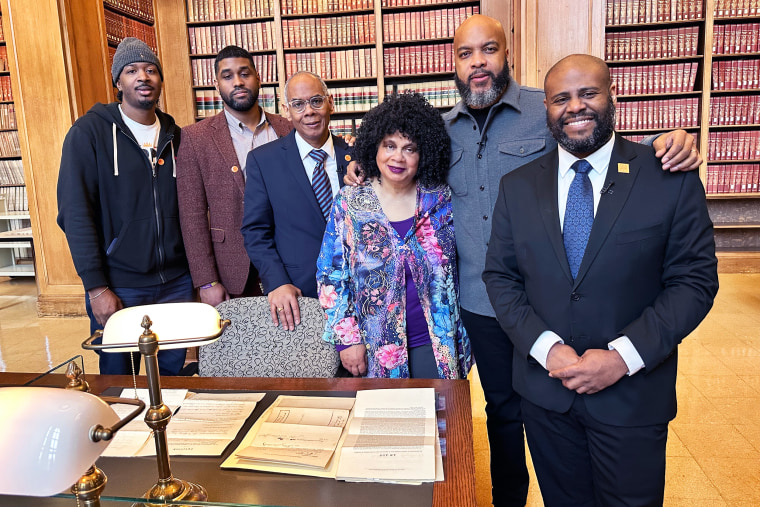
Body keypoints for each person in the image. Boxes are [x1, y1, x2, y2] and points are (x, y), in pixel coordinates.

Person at [346, 14, 703, 505]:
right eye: (465, 53)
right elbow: (398, 164)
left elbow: (610, 154)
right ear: (453, 61)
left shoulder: (549, 106)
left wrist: (672, 140)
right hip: (480, 300)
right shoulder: (438, 131)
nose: (478, 63)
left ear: (506, 52)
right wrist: (358, 164)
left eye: (488, 49)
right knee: (505, 414)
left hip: (552, 303)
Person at [482, 54, 718, 506]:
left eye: (588, 93)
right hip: (547, 397)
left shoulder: (668, 177)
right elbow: (501, 277)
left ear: (611, 96)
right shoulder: (517, 186)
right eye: (561, 99)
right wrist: (546, 348)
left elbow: (694, 281)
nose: (575, 107)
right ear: (546, 108)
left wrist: (622, 357)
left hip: (631, 398)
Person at [57, 37, 193, 375]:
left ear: (160, 79)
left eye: (150, 70)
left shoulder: (177, 136)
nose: (142, 77)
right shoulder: (89, 133)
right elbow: (75, 214)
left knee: (172, 378)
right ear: (118, 82)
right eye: (132, 70)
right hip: (120, 284)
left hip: (176, 282)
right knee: (122, 381)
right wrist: (97, 287)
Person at [316, 92, 472, 379]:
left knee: (443, 421)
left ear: (423, 154)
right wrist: (347, 340)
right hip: (375, 346)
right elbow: (331, 276)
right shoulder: (350, 202)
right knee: (388, 422)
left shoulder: (441, 200)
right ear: (374, 145)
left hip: (438, 343)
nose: (397, 157)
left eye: (410, 149)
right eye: (390, 145)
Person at [176, 46, 292, 306]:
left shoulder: (288, 129)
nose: (238, 82)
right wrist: (206, 282)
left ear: (258, 78)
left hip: (288, 263)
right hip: (230, 269)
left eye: (244, 73)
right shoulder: (195, 138)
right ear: (216, 84)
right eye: (227, 76)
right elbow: (191, 216)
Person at [241, 71, 351, 331]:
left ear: (330, 103)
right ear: (286, 110)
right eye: (298, 104)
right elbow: (255, 231)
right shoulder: (263, 161)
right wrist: (276, 282)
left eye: (316, 101)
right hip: (299, 298)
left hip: (359, 294)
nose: (309, 111)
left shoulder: (358, 156)